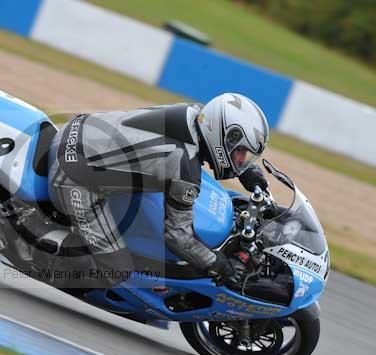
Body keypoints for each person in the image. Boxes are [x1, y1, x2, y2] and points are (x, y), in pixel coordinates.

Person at [47, 93, 269, 291]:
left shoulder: (193, 113)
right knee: (117, 269)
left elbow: (215, 133)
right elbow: (177, 236)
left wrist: (244, 171)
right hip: (71, 177)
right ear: (225, 138)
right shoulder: (183, 168)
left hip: (80, 128)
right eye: (240, 152)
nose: (241, 160)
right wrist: (219, 265)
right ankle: (46, 262)